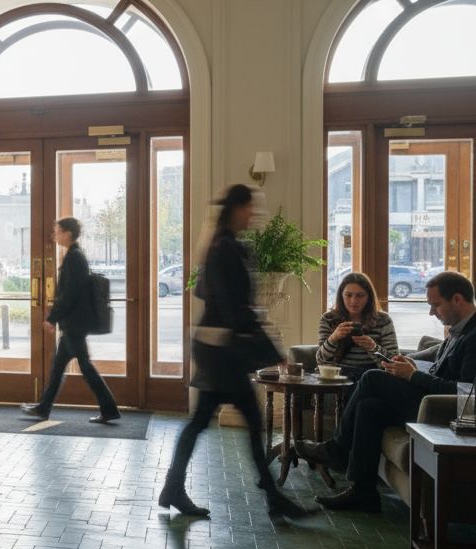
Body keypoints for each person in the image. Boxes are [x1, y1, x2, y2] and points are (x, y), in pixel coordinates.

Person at [158, 184, 311, 519]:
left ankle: (174, 487)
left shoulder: (220, 245)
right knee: (244, 422)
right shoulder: (226, 248)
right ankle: (273, 499)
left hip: (215, 347)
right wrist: (273, 351)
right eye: (250, 208)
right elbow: (238, 308)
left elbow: (205, 294)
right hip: (222, 350)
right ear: (237, 208)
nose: (253, 214)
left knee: (202, 421)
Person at [297, 271, 476, 512]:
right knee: (368, 408)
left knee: (371, 377)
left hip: (442, 412)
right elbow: (440, 374)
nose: (432, 312)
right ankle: (364, 492)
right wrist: (412, 368)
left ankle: (337, 449)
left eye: (435, 305)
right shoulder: (456, 331)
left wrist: (412, 375)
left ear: (457, 299)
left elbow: (466, 393)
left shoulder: (472, 336)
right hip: (427, 400)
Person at [20, 217, 120, 424]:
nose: (54, 235)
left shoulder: (75, 258)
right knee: (58, 368)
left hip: (75, 324)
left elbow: (70, 293)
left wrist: (52, 318)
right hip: (73, 324)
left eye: (57, 231)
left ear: (67, 233)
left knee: (85, 366)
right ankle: (43, 408)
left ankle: (109, 408)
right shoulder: (74, 256)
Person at [316, 272, 398, 378]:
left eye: (360, 295)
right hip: (337, 375)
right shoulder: (329, 319)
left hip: (371, 377)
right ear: (341, 296)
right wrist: (333, 338)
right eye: (348, 295)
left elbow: (394, 362)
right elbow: (320, 360)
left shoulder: (383, 320)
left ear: (369, 297)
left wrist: (373, 347)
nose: (354, 301)